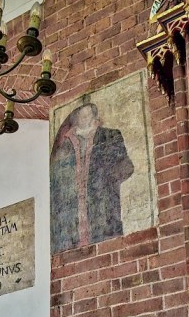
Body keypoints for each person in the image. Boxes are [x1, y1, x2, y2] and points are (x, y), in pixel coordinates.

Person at [50, 103, 134, 253]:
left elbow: (126, 167)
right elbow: (56, 182)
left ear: (94, 117)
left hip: (102, 208)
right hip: (72, 220)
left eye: (87, 115)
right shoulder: (65, 145)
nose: (84, 118)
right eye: (80, 115)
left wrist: (104, 180)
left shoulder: (109, 135)